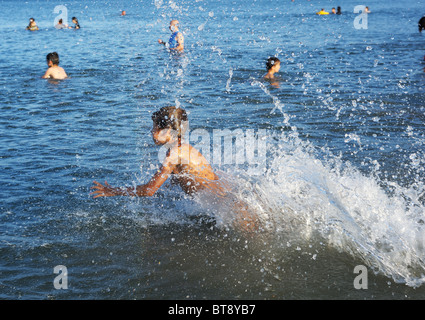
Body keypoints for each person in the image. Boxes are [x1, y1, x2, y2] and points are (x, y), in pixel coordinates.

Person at [91, 106, 259, 231]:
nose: (151, 132)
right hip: (230, 199)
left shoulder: (173, 155)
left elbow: (149, 190)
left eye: (155, 128)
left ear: (168, 132)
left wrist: (112, 191)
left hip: (230, 210)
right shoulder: (183, 147)